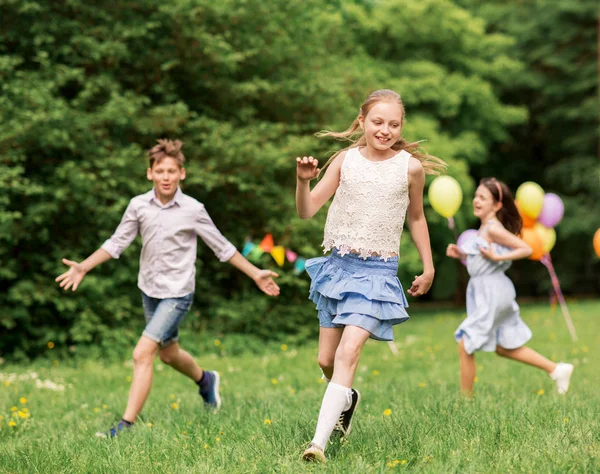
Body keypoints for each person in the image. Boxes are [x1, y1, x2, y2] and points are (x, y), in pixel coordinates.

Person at [56, 139, 280, 437]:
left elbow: (222, 247)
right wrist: (83, 266)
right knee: (168, 354)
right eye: (159, 170)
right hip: (149, 289)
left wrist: (255, 274)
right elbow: (116, 243)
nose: (165, 176)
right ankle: (206, 381)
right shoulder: (138, 206)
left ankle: (125, 425)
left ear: (182, 174)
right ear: (150, 173)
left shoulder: (193, 209)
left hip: (178, 292)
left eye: (171, 171)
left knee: (142, 353)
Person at [296, 89, 446, 463]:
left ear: (401, 126)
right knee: (326, 361)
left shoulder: (409, 168)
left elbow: (416, 218)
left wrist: (429, 266)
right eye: (378, 122)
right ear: (361, 121)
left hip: (376, 274)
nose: (385, 130)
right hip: (337, 268)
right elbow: (307, 210)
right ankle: (347, 398)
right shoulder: (345, 161)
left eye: (393, 124)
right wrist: (302, 182)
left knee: (348, 353)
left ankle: (318, 444)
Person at [446, 178, 573, 396]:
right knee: (504, 346)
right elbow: (483, 254)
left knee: (465, 343)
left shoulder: (493, 228)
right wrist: (463, 254)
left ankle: (464, 402)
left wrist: (495, 256)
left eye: (483, 198)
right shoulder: (486, 228)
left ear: (496, 205)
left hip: (493, 293)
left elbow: (524, 249)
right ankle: (557, 370)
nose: (476, 201)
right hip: (492, 291)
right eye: (476, 196)